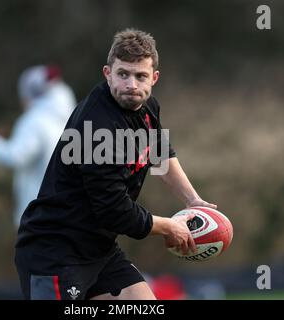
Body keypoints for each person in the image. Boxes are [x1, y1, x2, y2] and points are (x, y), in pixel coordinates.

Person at [15, 29, 217, 300]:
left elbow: (160, 155)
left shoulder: (147, 108)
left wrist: (193, 201)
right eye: (123, 74)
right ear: (108, 73)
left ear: (154, 78)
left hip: (99, 251)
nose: (132, 84)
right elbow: (115, 211)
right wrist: (169, 226)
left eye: (140, 76)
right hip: (56, 253)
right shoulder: (97, 126)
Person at [0, 65, 76, 227]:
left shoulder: (35, 121)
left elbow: (16, 156)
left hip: (42, 220)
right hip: (69, 217)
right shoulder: (72, 118)